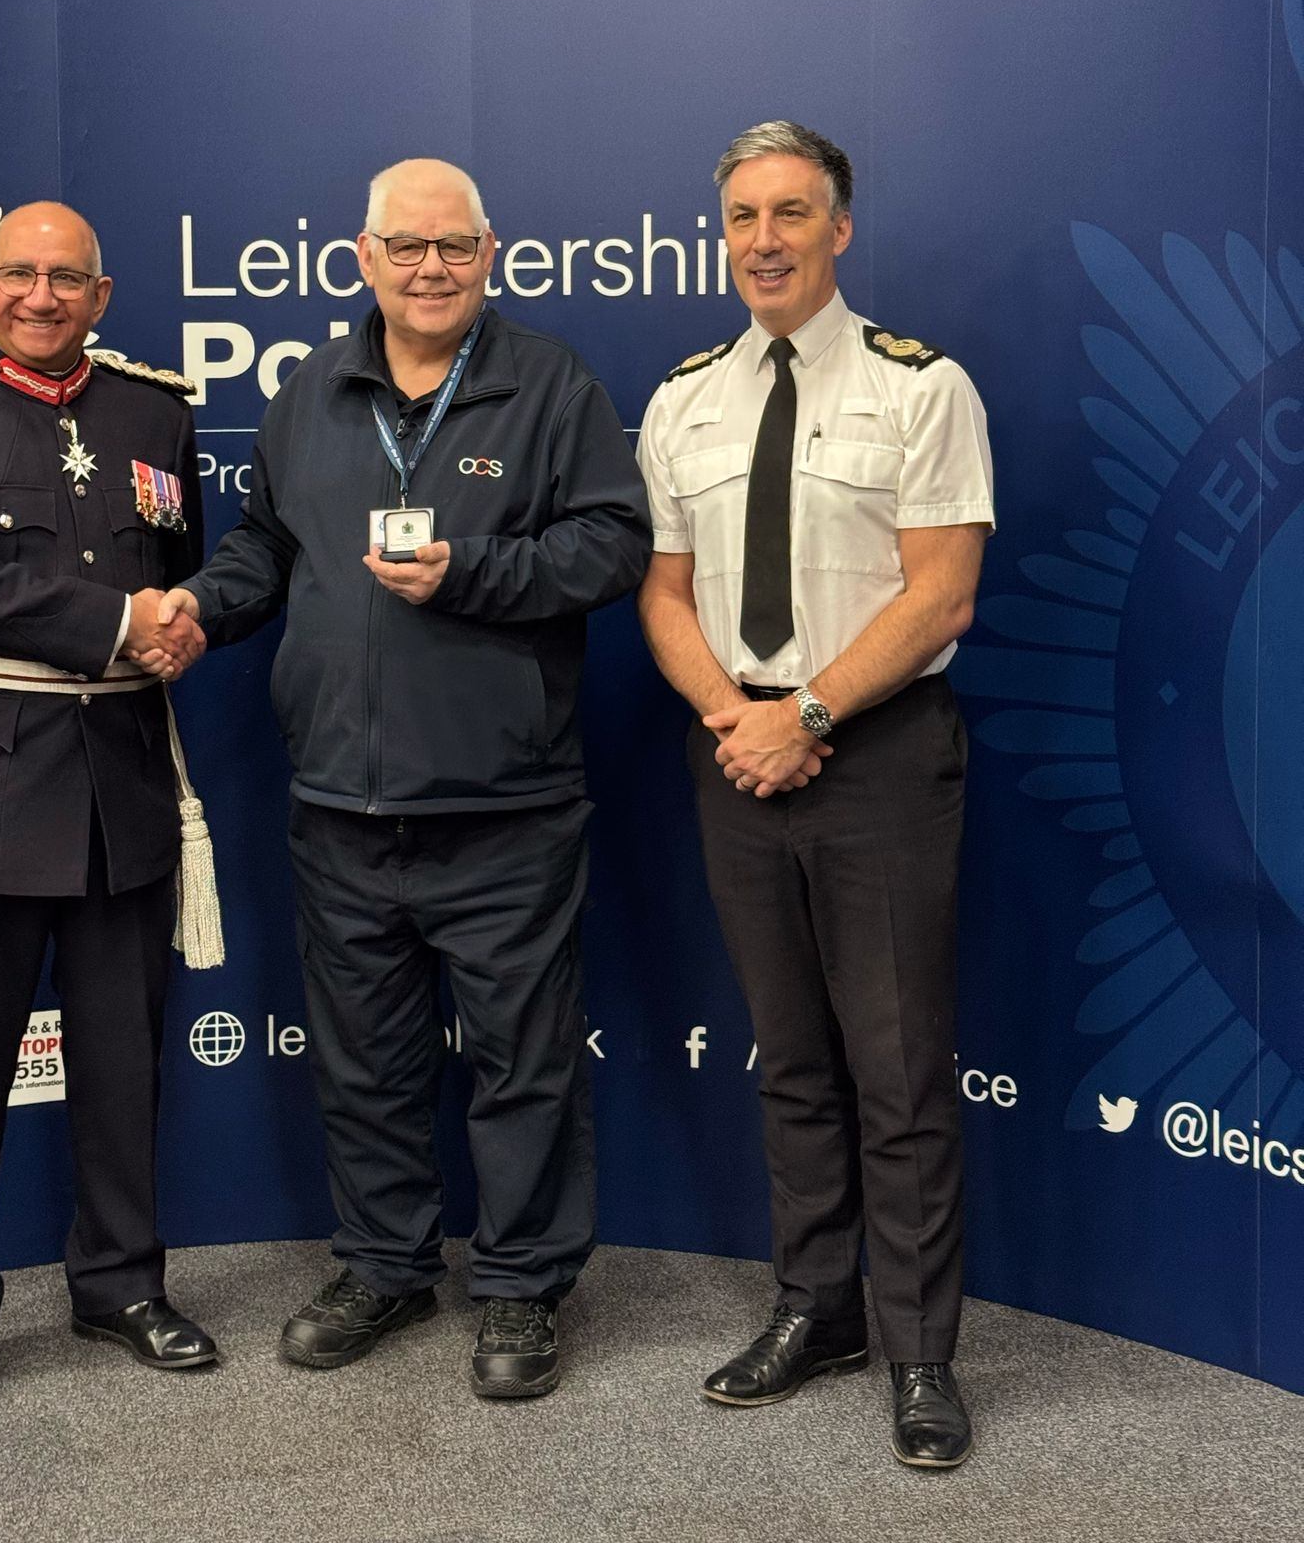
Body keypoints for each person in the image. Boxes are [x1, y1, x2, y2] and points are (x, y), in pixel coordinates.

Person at [159, 158, 650, 1400]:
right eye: (406, 247)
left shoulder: (549, 383)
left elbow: (612, 542)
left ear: (492, 254)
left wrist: (473, 568)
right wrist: (198, 613)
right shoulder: (309, 392)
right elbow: (268, 543)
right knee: (365, 1059)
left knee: (521, 1058)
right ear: (362, 258)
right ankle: (383, 1263)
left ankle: (524, 1285)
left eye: (456, 247)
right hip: (338, 799)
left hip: (506, 803)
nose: (432, 268)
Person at [636, 121, 994, 1468]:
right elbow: (666, 597)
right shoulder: (686, 400)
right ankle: (817, 1305)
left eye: (792, 213)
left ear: (840, 229)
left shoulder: (920, 387)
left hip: (880, 760)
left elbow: (943, 591)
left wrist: (809, 715)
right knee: (790, 1062)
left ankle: (920, 1355)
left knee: (897, 1073)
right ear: (719, 234)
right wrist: (737, 718)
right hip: (739, 756)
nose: (765, 239)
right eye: (742, 217)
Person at [0, 201, 216, 1422]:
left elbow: (183, 565)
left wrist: (179, 625)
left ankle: (121, 1281)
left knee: (125, 1062)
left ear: (103, 296)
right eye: (19, 272)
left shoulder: (155, 409)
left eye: (67, 277)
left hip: (119, 780)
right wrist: (128, 624)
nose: (41, 294)